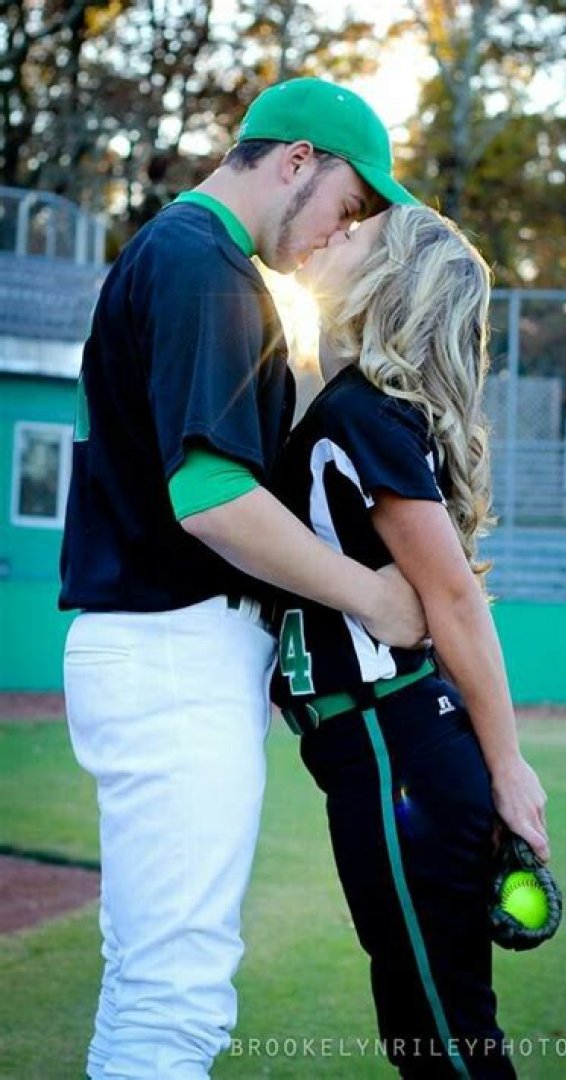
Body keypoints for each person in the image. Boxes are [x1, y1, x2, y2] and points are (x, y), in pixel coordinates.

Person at [59, 78, 427, 1080]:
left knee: (154, 975)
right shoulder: (201, 263)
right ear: (298, 160)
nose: (337, 233)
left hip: (164, 644)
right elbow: (214, 499)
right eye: (349, 207)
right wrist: (375, 595)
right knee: (176, 996)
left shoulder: (193, 259)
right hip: (175, 642)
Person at [272, 204, 550, 1078]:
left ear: (396, 280)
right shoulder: (357, 401)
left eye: (357, 235)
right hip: (383, 748)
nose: (335, 234)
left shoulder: (367, 412)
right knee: (428, 1029)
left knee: (442, 1039)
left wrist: (509, 769)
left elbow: (456, 604)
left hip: (398, 751)